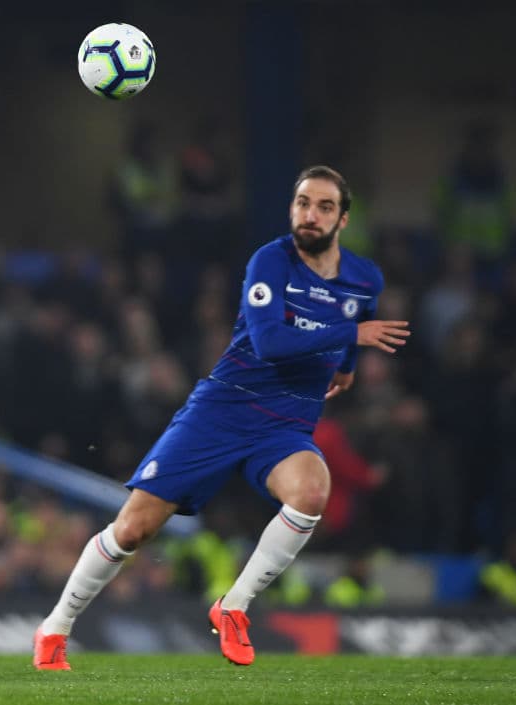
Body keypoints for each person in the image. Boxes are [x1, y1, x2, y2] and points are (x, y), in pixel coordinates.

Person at [33, 165, 410, 669]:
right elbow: (271, 342)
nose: (310, 214)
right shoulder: (271, 262)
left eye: (323, 206)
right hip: (222, 409)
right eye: (302, 203)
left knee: (312, 490)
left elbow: (350, 323)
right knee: (134, 530)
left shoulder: (364, 278)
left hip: (285, 424)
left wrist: (345, 369)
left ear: (343, 219)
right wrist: (349, 343)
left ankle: (234, 606)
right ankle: (55, 628)